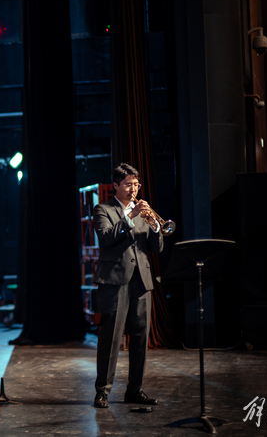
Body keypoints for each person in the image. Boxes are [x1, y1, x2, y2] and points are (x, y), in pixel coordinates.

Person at [92, 163, 163, 409]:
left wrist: (155, 226)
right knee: (110, 338)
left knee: (141, 338)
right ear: (116, 186)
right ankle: (102, 391)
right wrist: (129, 218)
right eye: (128, 185)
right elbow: (107, 238)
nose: (133, 189)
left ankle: (135, 390)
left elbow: (156, 248)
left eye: (136, 184)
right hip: (114, 281)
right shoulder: (103, 209)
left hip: (142, 281)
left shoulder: (143, 210)